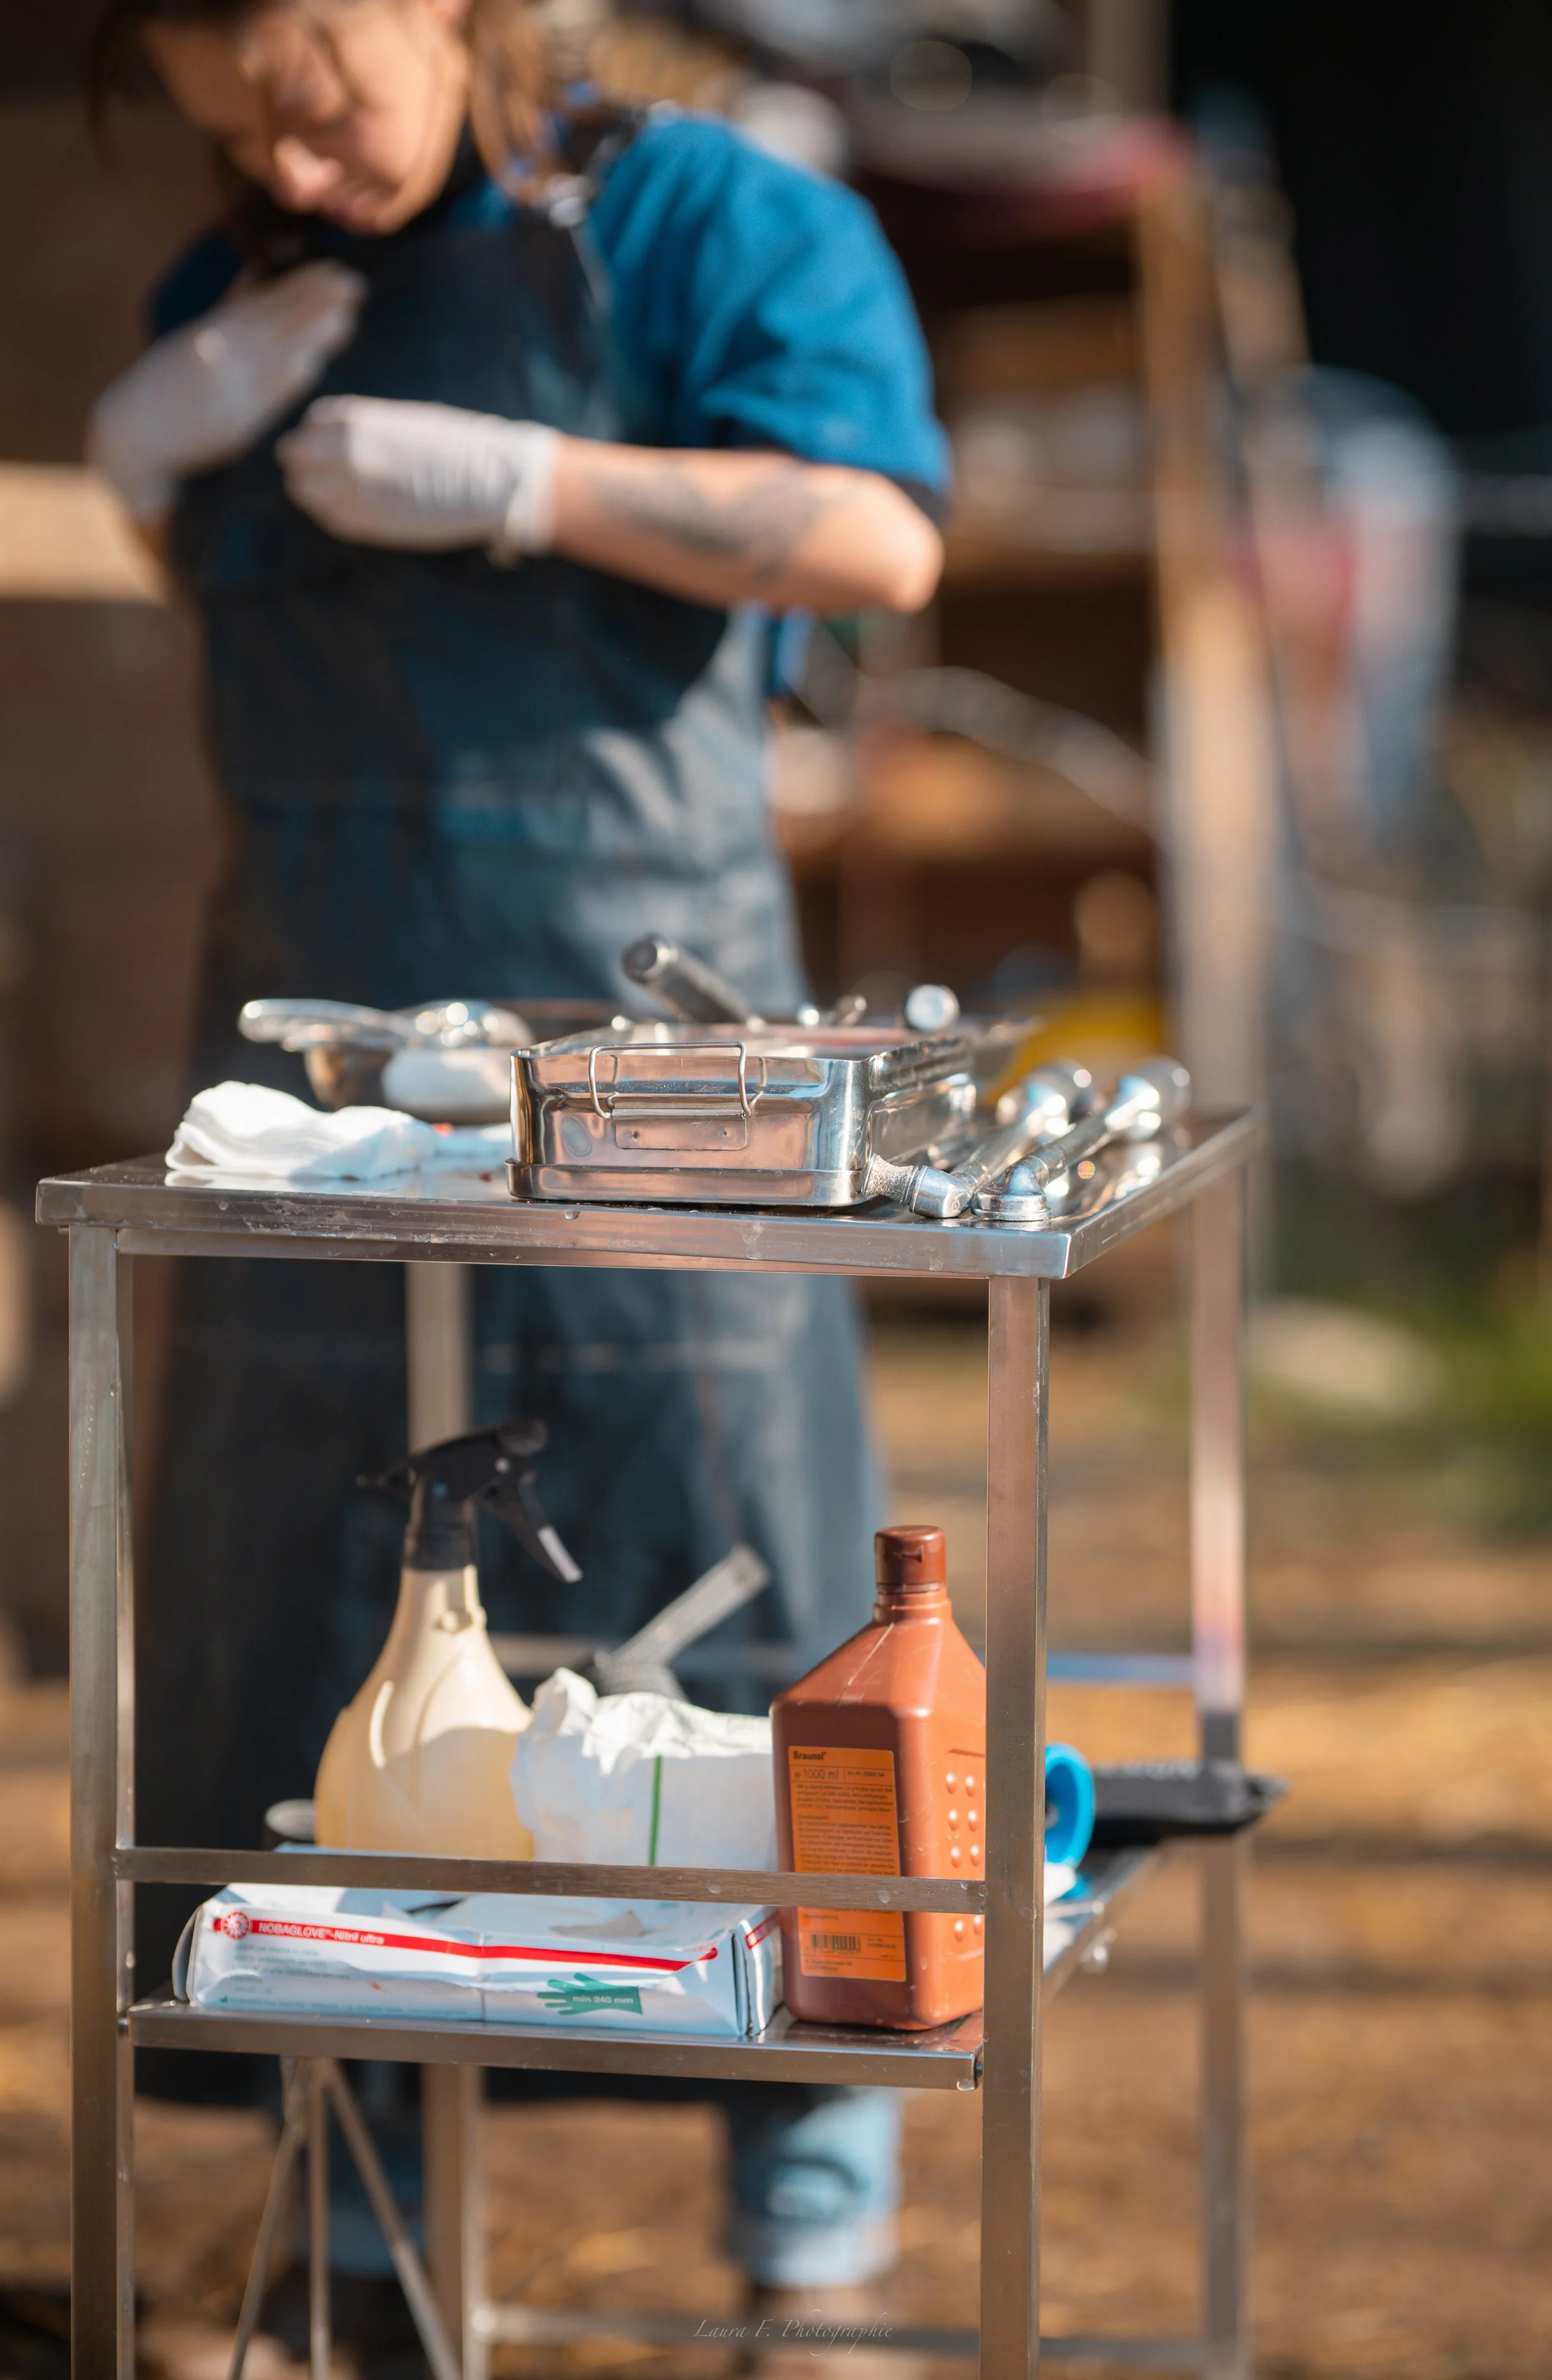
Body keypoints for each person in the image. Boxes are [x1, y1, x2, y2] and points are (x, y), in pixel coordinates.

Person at [86, 0, 950, 2349]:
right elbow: (258, 615)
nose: (290, 145)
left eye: (315, 76)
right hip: (311, 1079)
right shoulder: (236, 281)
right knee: (312, 1637)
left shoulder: (701, 220)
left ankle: (811, 2232)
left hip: (647, 1072)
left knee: (742, 1616)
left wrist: (540, 485)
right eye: (230, 113)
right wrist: (158, 457)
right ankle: (357, 2217)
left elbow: (874, 534)